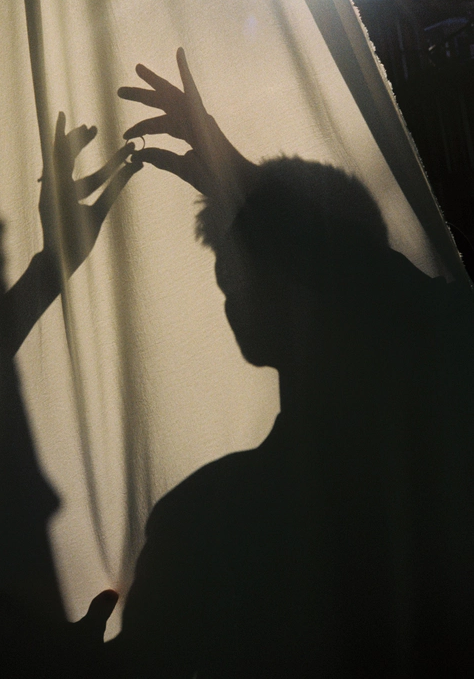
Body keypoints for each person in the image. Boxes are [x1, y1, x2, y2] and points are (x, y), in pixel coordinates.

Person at [80, 49, 474, 678]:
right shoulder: (440, 447)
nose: (231, 299)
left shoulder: (209, 521)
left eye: (244, 278)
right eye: (227, 282)